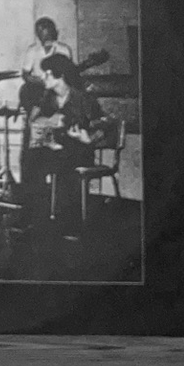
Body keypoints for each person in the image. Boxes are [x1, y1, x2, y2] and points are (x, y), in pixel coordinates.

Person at [19, 53, 106, 234]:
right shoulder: (47, 98)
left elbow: (104, 128)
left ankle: (70, 222)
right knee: (30, 160)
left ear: (60, 76)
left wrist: (89, 139)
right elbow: (37, 121)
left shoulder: (83, 99)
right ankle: (32, 215)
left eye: (47, 73)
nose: (43, 77)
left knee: (65, 163)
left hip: (78, 151)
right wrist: (45, 123)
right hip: (55, 150)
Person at [18, 17, 74, 119]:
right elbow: (25, 74)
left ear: (52, 31)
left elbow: (69, 74)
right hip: (37, 87)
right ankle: (32, 120)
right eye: (39, 32)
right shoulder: (32, 50)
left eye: (45, 30)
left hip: (56, 87)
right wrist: (38, 81)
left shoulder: (64, 49)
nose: (43, 35)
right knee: (26, 92)